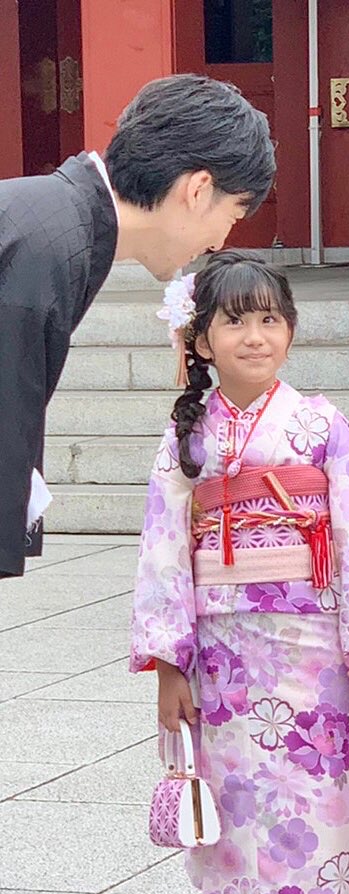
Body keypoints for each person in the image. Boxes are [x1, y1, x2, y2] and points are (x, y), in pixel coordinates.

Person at [129, 251, 349, 894]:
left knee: (318, 816)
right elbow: (163, 545)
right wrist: (168, 662)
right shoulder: (188, 437)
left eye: (270, 319)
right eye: (235, 320)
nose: (255, 335)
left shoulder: (320, 425)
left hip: (314, 660)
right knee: (232, 821)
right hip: (220, 660)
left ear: (291, 330)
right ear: (201, 341)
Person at [0, 72, 275, 579]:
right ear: (198, 190)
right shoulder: (50, 246)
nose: (219, 242)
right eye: (234, 214)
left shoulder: (53, 221)